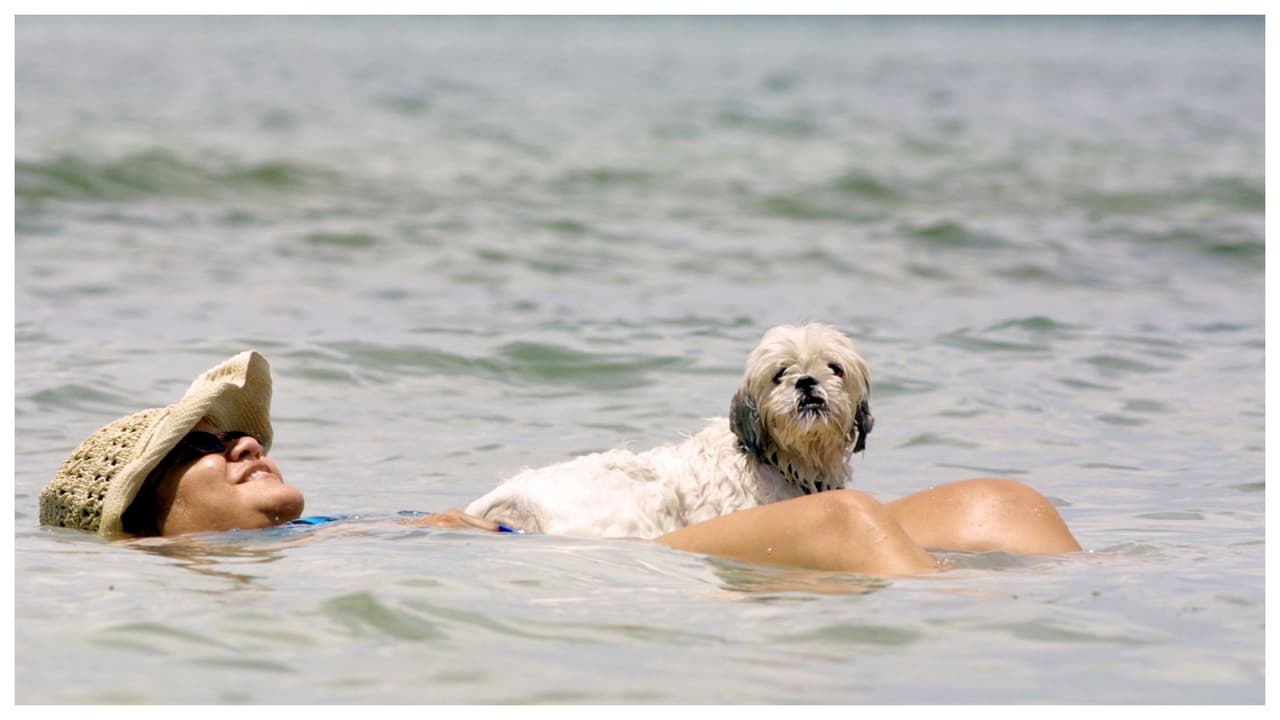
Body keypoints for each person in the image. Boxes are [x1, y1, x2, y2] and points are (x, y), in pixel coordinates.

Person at [39, 351, 1080, 576]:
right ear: (152, 524)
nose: (244, 441)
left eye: (238, 430)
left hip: (612, 530)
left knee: (1001, 499)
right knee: (848, 523)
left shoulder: (303, 544)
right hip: (614, 563)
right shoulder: (251, 581)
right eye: (205, 448)